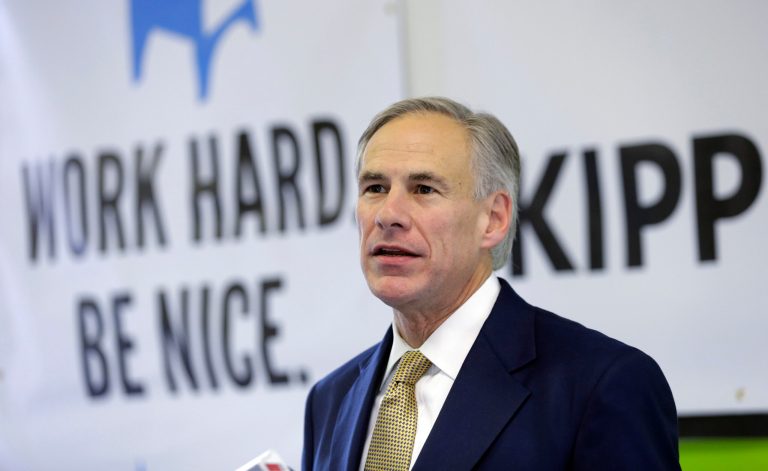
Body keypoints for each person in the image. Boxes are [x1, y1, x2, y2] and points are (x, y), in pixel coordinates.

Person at [302, 97, 680, 470]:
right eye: (375, 188)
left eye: (423, 189)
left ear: (494, 219)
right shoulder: (330, 400)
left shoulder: (601, 384)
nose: (388, 215)